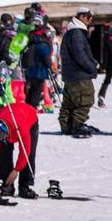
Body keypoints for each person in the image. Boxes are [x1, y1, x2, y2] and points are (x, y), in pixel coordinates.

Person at [59, 7, 98, 137]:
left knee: (70, 102)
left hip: (70, 75)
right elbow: (80, 54)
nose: (90, 20)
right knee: (85, 99)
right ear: (81, 17)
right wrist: (92, 67)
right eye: (89, 17)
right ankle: (78, 125)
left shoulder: (71, 33)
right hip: (79, 74)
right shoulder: (76, 33)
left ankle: (67, 125)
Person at [0, 98, 39, 199]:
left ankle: (25, 186)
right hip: (11, 113)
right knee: (4, 152)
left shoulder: (21, 127)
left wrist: (16, 170)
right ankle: (7, 185)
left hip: (29, 118)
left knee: (29, 154)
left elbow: (25, 151)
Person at [23, 17, 52, 110]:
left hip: (29, 69)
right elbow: (46, 58)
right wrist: (50, 66)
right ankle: (33, 107)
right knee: (37, 90)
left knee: (31, 89)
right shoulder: (42, 44)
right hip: (40, 70)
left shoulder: (30, 41)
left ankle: (28, 106)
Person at [99, 22, 112, 108]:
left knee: (107, 80)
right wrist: (104, 65)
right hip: (110, 63)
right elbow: (105, 53)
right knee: (107, 80)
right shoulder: (107, 38)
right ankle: (101, 98)